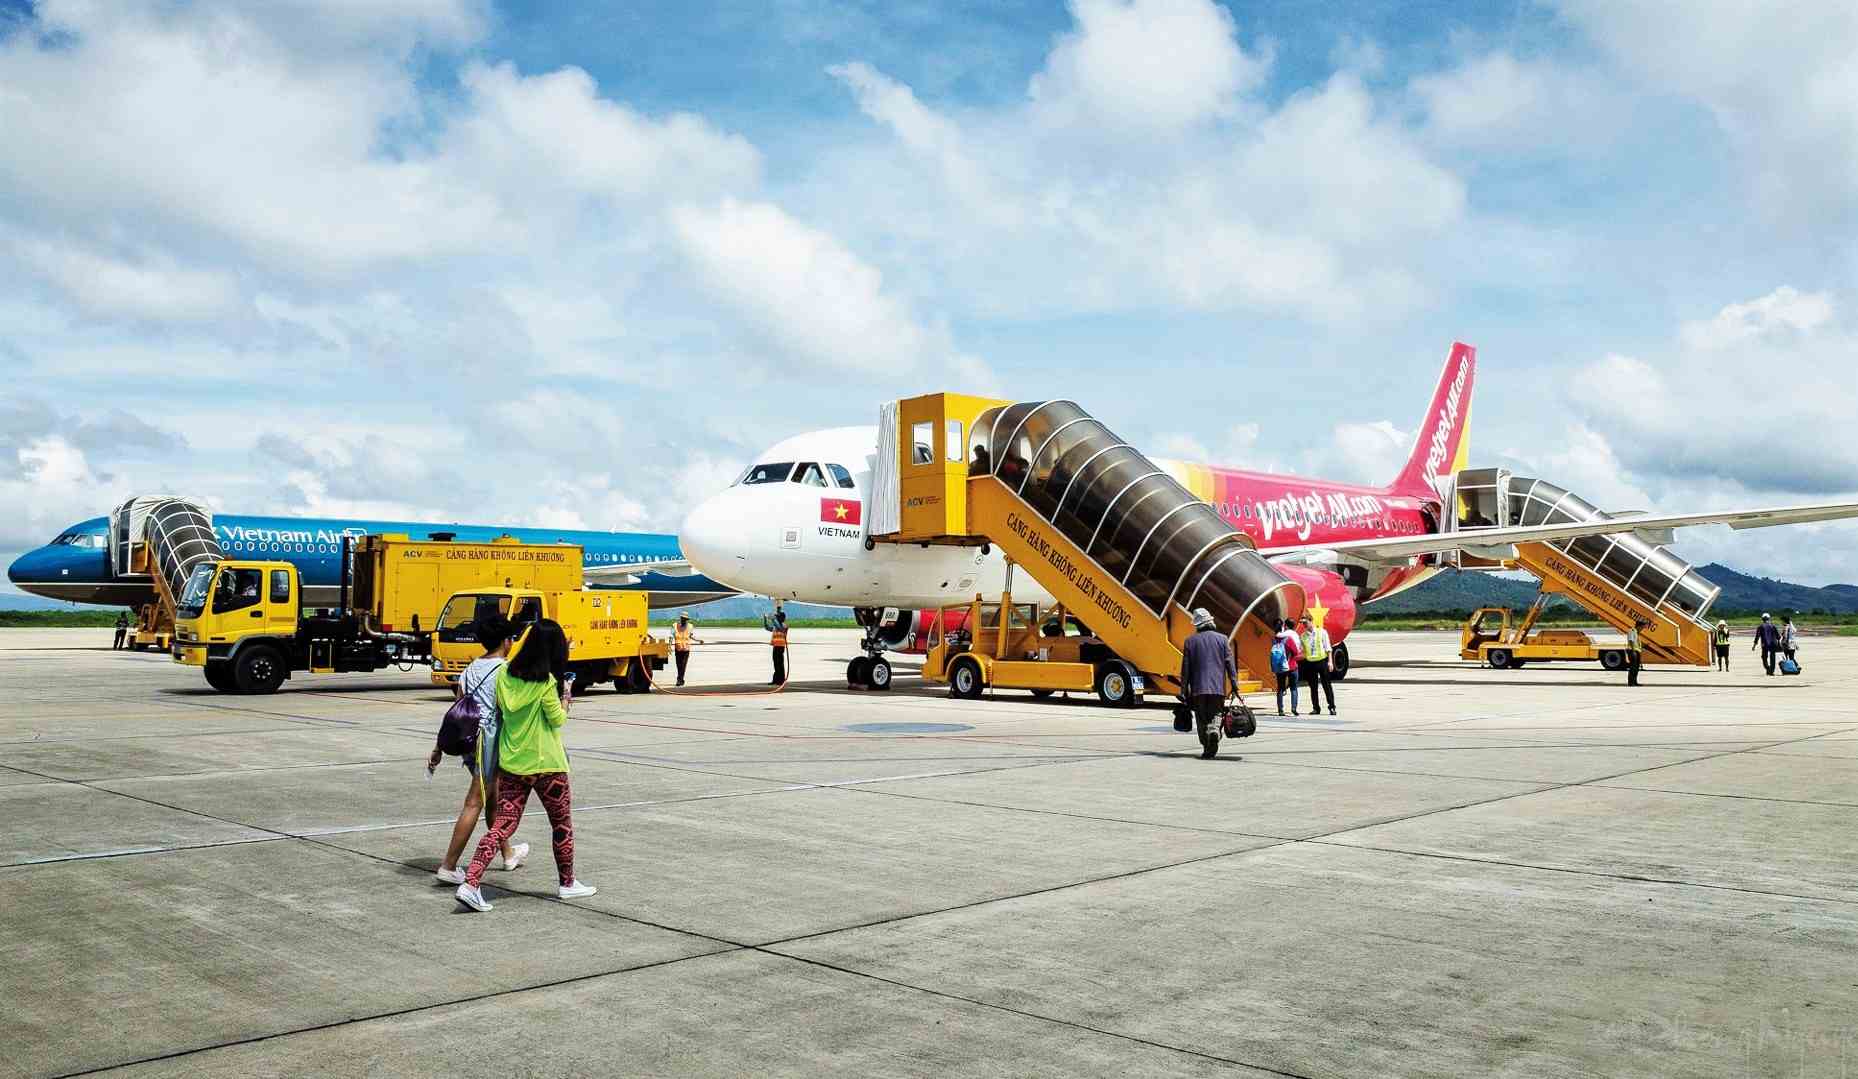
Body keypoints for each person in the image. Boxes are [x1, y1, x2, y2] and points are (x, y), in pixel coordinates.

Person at [456, 621, 595, 912]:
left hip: (512, 764)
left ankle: (470, 883)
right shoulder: (546, 683)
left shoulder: (505, 674)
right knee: (561, 825)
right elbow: (557, 719)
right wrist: (567, 692)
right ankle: (567, 884)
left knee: (502, 826)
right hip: (547, 765)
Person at [431, 615, 525, 885]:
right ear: (507, 642)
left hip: (469, 740)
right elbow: (510, 709)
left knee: (491, 799)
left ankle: (508, 854)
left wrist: (438, 746)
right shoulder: (504, 671)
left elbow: (457, 711)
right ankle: (448, 865)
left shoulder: (470, 669)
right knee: (475, 802)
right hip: (489, 741)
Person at [1178, 608, 1238, 744]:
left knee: (1201, 717)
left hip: (1198, 688)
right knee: (1217, 712)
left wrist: (1182, 691)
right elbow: (1230, 665)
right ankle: (1215, 730)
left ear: (1197, 625)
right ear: (1211, 622)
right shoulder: (1223, 639)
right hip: (1217, 687)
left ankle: (1207, 747)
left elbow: (1185, 669)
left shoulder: (1190, 641)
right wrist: (1234, 685)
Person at [1298, 613, 1337, 716]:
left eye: (1305, 623)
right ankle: (1316, 708)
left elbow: (1328, 648)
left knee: (1327, 685)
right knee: (1313, 687)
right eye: (1303, 624)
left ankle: (1332, 707)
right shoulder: (1302, 636)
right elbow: (1301, 650)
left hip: (1322, 661)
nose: (1304, 625)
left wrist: (1330, 662)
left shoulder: (1322, 632)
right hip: (1310, 663)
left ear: (1311, 621)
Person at [1271, 617, 1302, 716]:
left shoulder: (1275, 639)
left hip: (1280, 667)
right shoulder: (1289, 639)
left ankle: (1280, 709)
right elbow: (1296, 652)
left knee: (1280, 688)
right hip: (1291, 666)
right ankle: (1293, 708)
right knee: (1293, 688)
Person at [672, 612, 703, 686]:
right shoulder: (675, 625)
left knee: (683, 665)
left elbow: (691, 636)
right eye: (683, 619)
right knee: (678, 665)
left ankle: (679, 680)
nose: (684, 620)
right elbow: (671, 635)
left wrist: (698, 640)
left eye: (685, 619)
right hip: (678, 648)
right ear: (680, 618)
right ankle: (680, 679)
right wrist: (669, 644)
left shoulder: (690, 626)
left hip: (686, 649)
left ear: (687, 619)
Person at [763, 606, 788, 685]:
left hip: (780, 647)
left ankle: (781, 680)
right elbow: (767, 627)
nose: (776, 618)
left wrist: (773, 619)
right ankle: (776, 680)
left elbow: (779, 627)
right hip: (775, 647)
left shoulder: (784, 626)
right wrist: (765, 619)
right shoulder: (775, 626)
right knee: (776, 664)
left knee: (780, 664)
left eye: (777, 617)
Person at [1626, 620, 1645, 686]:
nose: (1643, 629)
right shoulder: (1632, 631)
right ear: (1639, 626)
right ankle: (1631, 682)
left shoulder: (1637, 632)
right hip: (1632, 651)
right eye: (1642, 627)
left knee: (1636, 668)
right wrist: (1633, 650)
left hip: (1636, 651)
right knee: (1633, 667)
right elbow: (1631, 641)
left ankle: (1635, 682)